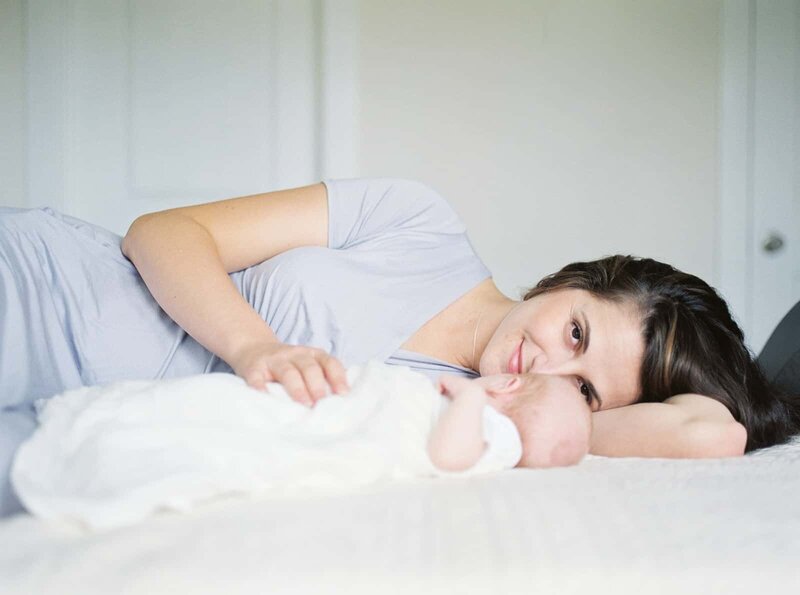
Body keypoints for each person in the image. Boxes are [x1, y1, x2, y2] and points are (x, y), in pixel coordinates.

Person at [1, 178, 796, 514]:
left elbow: (713, 433)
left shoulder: (477, 425)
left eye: (586, 388)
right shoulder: (420, 222)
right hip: (56, 293)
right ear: (572, 280)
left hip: (84, 430)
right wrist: (254, 348)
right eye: (577, 331)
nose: (547, 364)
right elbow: (163, 233)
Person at [11, 363, 591, 530]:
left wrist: (467, 400)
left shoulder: (492, 429)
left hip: (340, 426)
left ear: (506, 389)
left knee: (221, 426)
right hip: (342, 403)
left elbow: (449, 456)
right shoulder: (509, 431)